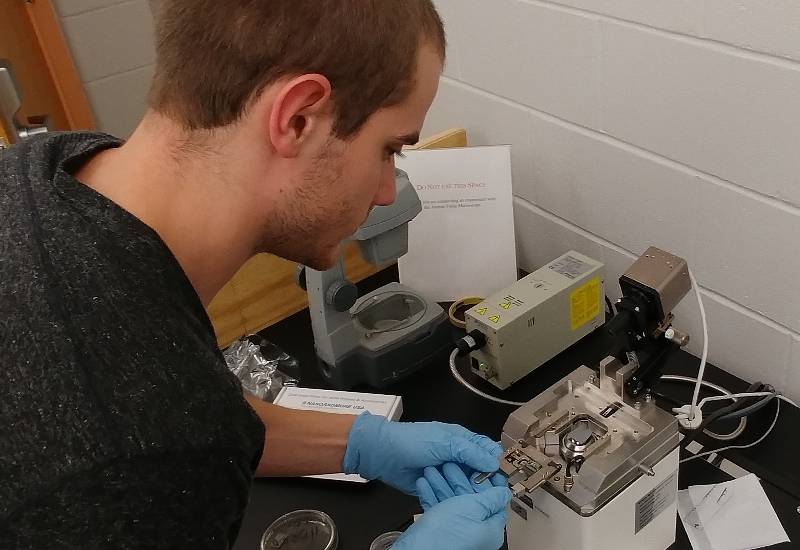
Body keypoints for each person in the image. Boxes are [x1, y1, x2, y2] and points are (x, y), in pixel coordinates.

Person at [0, 1, 511, 549]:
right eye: (389, 149)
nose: (387, 189)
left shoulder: (45, 172)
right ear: (298, 118)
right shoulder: (128, 467)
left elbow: (191, 407)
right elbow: (157, 426)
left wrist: (362, 444)